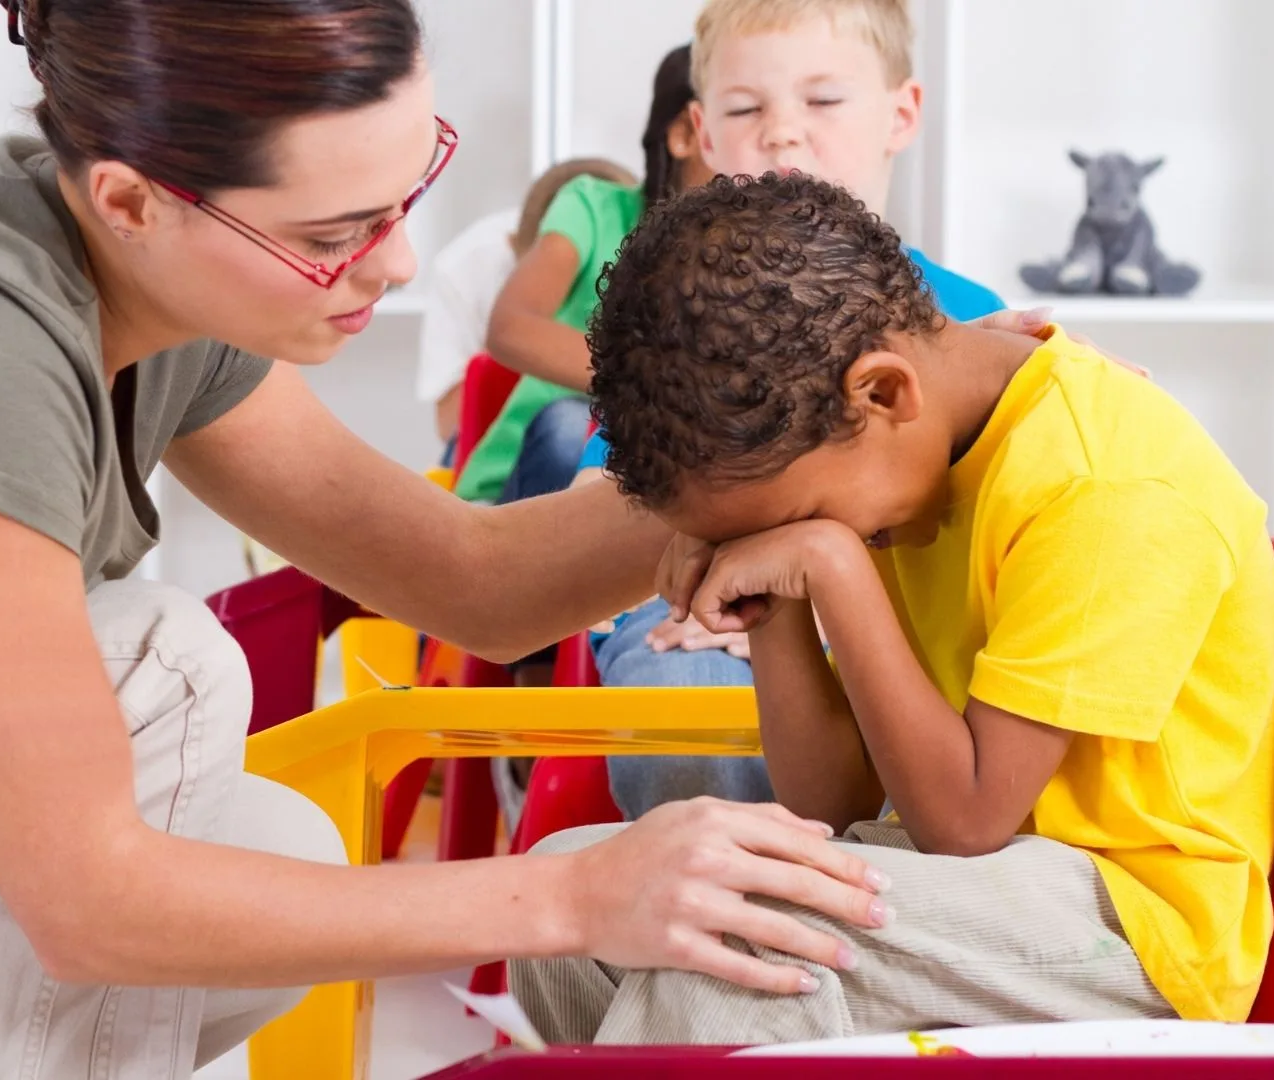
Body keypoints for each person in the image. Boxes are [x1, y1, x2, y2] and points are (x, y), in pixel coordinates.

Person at [0, 3, 900, 1076]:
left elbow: (470, 581)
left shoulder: (146, 281)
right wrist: (575, 894)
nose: (398, 263)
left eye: (409, 193)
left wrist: (785, 454)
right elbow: (82, 902)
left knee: (258, 839)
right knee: (158, 664)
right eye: (335, 231)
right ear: (133, 201)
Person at [512, 172, 1274, 1046]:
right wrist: (773, 601)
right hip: (962, 874)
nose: (789, 541)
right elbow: (834, 804)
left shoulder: (1103, 485)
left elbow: (967, 822)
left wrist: (831, 565)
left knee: (735, 934)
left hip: (1132, 919)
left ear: (883, 393)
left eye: (792, 520)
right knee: (572, 901)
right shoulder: (891, 457)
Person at [583, 0, 1006, 819]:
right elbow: (611, 510)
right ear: (702, 133)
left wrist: (830, 610)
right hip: (709, 622)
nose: (782, 133)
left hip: (908, 627)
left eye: (823, 100)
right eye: (746, 109)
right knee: (687, 689)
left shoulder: (974, 325)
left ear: (901, 114)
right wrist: (711, 595)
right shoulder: (673, 317)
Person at [456, 43, 715, 508]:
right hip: (522, 489)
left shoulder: (765, 256)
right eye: (745, 112)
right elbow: (511, 327)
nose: (778, 135)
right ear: (685, 132)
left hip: (658, 475)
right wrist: (662, 383)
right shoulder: (592, 207)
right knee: (571, 428)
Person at [415, 159, 637, 462]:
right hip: (501, 443)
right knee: (568, 428)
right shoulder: (469, 264)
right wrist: (529, 361)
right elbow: (449, 424)